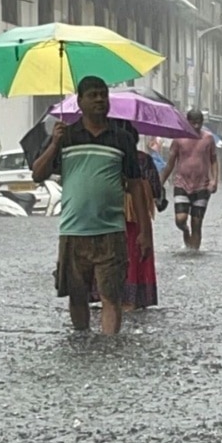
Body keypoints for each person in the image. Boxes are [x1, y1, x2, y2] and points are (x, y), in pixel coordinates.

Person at [32, 77, 152, 335]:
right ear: (80, 101)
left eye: (103, 95)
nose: (99, 100)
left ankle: (108, 350)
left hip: (111, 231)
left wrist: (145, 232)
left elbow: (135, 186)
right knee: (77, 296)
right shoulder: (66, 136)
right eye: (93, 95)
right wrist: (54, 143)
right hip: (74, 231)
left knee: (112, 296)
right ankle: (83, 343)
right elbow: (37, 174)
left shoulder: (121, 139)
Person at [91, 122, 159, 310]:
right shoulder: (144, 160)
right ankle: (133, 298)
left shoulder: (108, 159)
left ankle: (110, 296)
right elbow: (156, 188)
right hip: (137, 219)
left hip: (110, 215)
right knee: (135, 254)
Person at [160, 109, 218, 250]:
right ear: (187, 122)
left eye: (199, 122)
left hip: (202, 186)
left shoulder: (208, 138)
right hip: (182, 184)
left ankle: (193, 252)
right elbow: (170, 163)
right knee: (180, 219)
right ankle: (185, 230)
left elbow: (214, 160)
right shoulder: (179, 139)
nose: (197, 126)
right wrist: (159, 183)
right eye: (193, 123)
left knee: (197, 223)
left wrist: (214, 180)